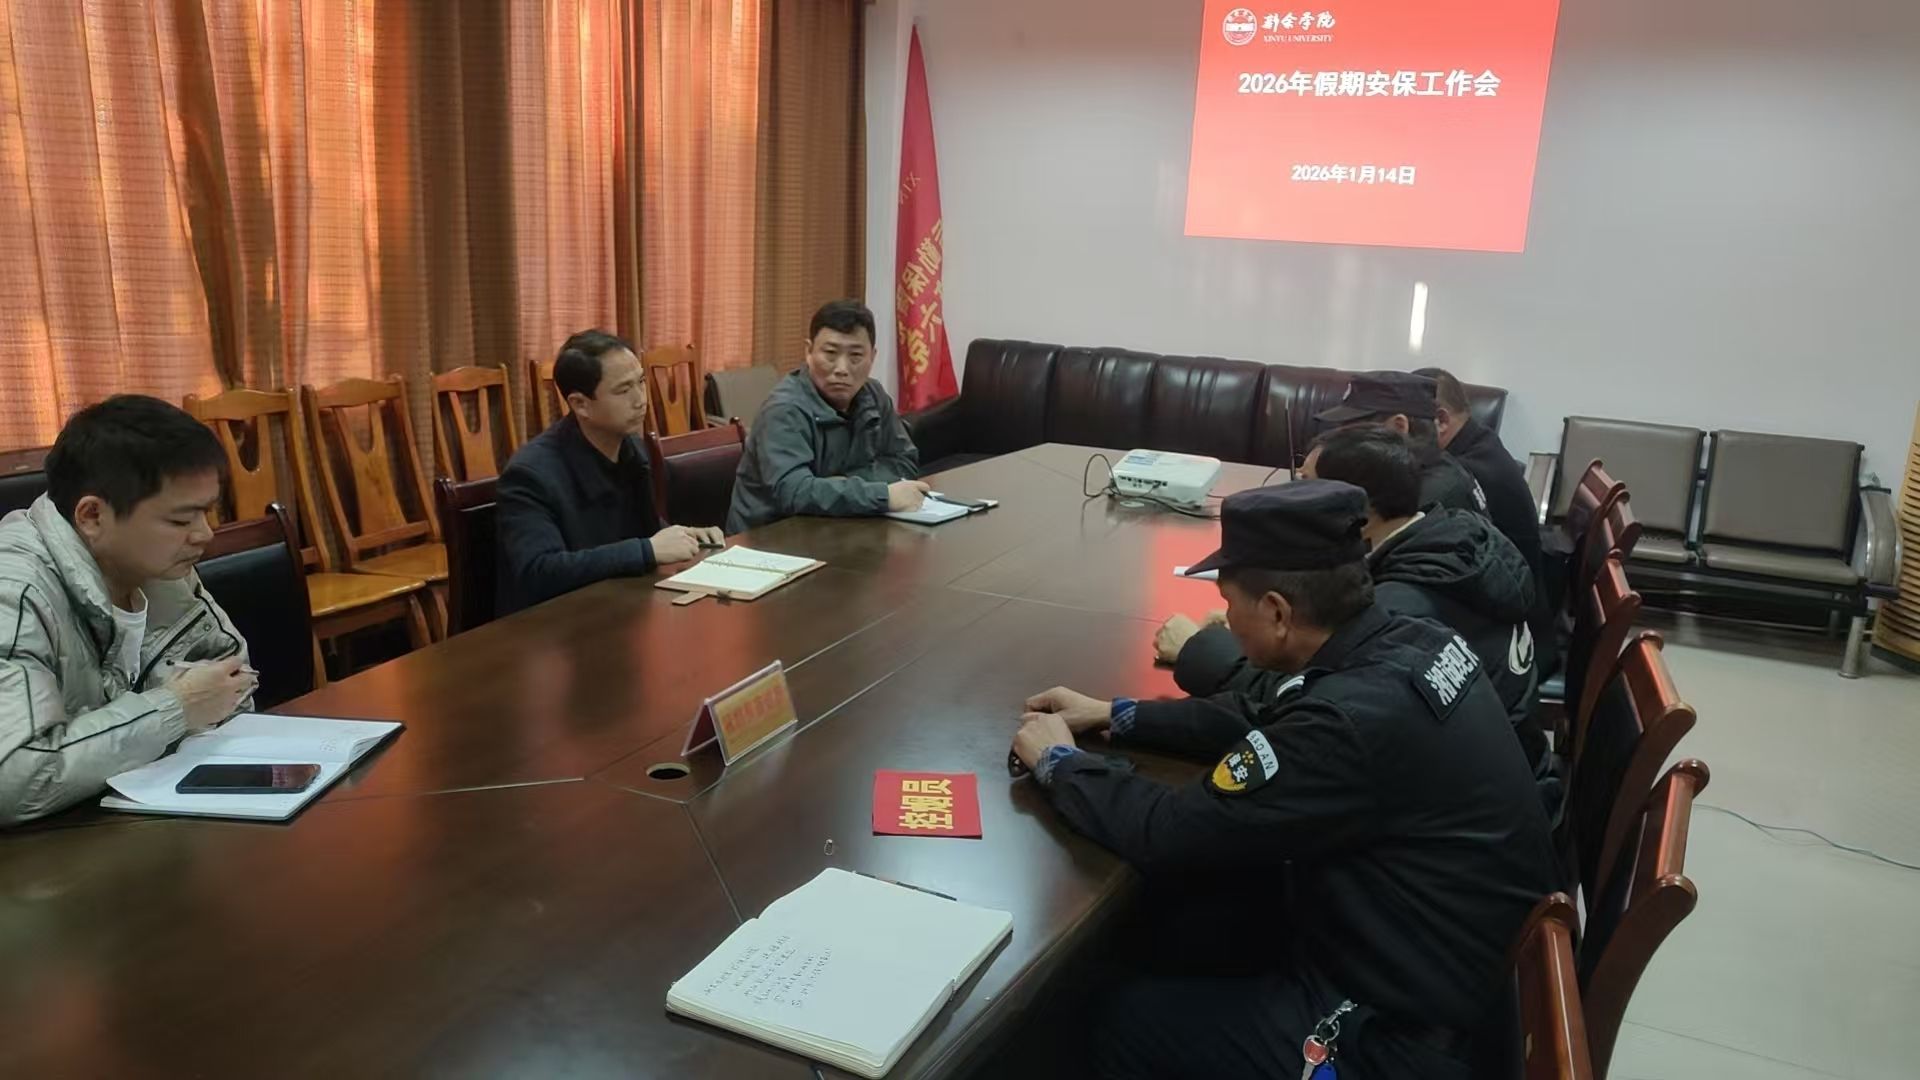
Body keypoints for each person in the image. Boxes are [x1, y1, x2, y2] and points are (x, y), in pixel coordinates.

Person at [1010, 480, 1557, 1079]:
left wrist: (1060, 762)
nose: (1225, 621)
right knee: (1193, 919)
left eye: (1229, 604)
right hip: (1449, 974)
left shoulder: (1346, 723)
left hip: (1398, 1038)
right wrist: (1117, 715)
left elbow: (1170, 831)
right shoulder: (1413, 642)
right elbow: (1268, 714)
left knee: (1118, 1020)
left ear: (1276, 611)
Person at [1157, 425, 1558, 817]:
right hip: (1508, 785)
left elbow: (1293, 703)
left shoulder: (1405, 605)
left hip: (1464, 814)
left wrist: (1198, 648)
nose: (1291, 495)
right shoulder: (1448, 539)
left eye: (1308, 487)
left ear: (1356, 510)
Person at [0, 396, 256, 825]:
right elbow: (15, 779)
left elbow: (230, 687)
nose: (204, 534)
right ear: (92, 516)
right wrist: (174, 708)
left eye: (206, 513)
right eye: (181, 520)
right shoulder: (15, 592)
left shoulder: (158, 566)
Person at [497, 330, 725, 615]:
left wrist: (684, 536)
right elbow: (539, 572)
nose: (640, 399)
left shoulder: (635, 450)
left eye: (641, 382)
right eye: (623, 390)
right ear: (580, 404)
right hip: (552, 626)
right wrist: (647, 550)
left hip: (617, 609)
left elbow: (639, 531)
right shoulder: (530, 475)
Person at [725, 300, 926, 533]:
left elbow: (905, 462)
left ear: (872, 356)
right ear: (809, 352)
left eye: (855, 356)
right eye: (830, 354)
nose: (842, 369)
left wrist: (846, 483)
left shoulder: (873, 395)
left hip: (840, 527)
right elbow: (793, 492)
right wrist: (880, 494)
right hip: (769, 538)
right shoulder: (783, 409)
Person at [1416, 365, 1555, 674]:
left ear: (1441, 420)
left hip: (1512, 647)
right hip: (1517, 620)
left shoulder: (1458, 478)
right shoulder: (1482, 445)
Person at [1315, 370, 1486, 515]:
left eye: (1353, 430)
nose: (1343, 438)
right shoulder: (1423, 469)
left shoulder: (1424, 500)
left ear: (1399, 426)